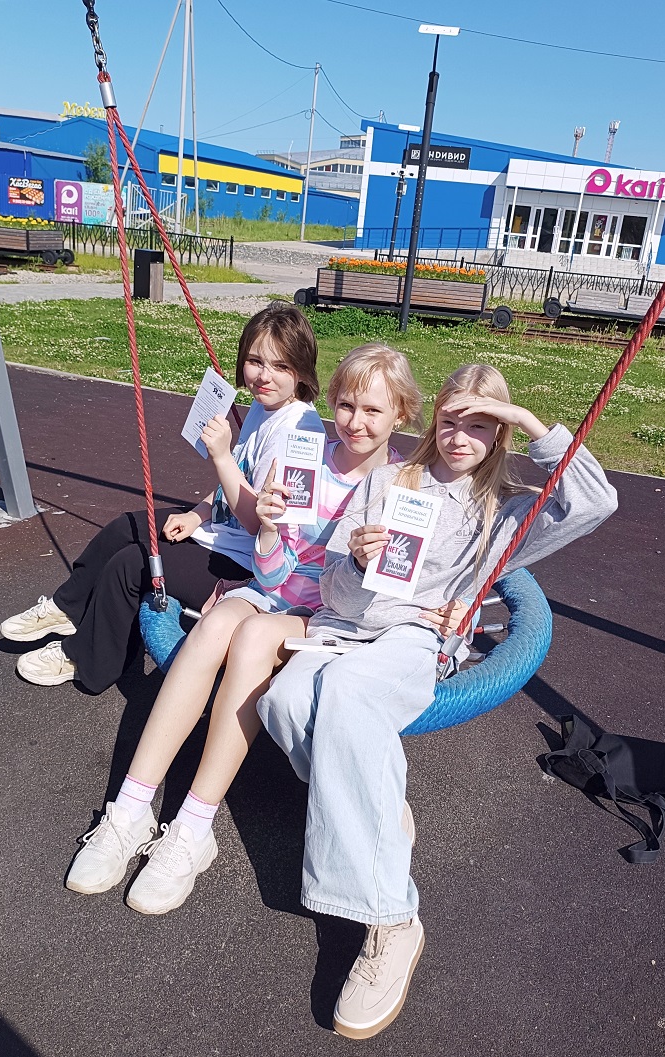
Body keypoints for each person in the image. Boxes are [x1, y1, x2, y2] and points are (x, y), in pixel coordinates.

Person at [255, 363, 619, 1040]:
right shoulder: (388, 482)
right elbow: (333, 591)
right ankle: (377, 801)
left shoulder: (509, 511)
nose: (459, 436)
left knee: (346, 694)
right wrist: (355, 560)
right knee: (282, 702)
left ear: (499, 433)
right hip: (347, 625)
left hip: (418, 635)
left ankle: (391, 917)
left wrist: (531, 425)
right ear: (433, 421)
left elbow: (596, 502)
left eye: (480, 424)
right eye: (451, 420)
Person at [63, 344, 442, 914]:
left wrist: (443, 602)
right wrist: (267, 531)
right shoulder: (304, 461)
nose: (355, 422)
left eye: (373, 410)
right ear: (330, 403)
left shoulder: (402, 488)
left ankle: (193, 825)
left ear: (401, 414)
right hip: (274, 593)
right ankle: (129, 809)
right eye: (345, 405)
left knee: (251, 637)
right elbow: (271, 571)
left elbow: (408, 576)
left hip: (334, 619)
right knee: (216, 624)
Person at [0, 302, 322, 693]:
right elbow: (240, 478)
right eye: (255, 361)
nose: (264, 375)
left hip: (250, 565)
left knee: (133, 563)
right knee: (126, 528)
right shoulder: (264, 405)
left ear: (302, 370)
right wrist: (198, 513)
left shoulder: (296, 433)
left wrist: (221, 456)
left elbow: (261, 525)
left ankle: (86, 660)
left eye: (281, 366)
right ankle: (67, 608)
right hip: (224, 531)